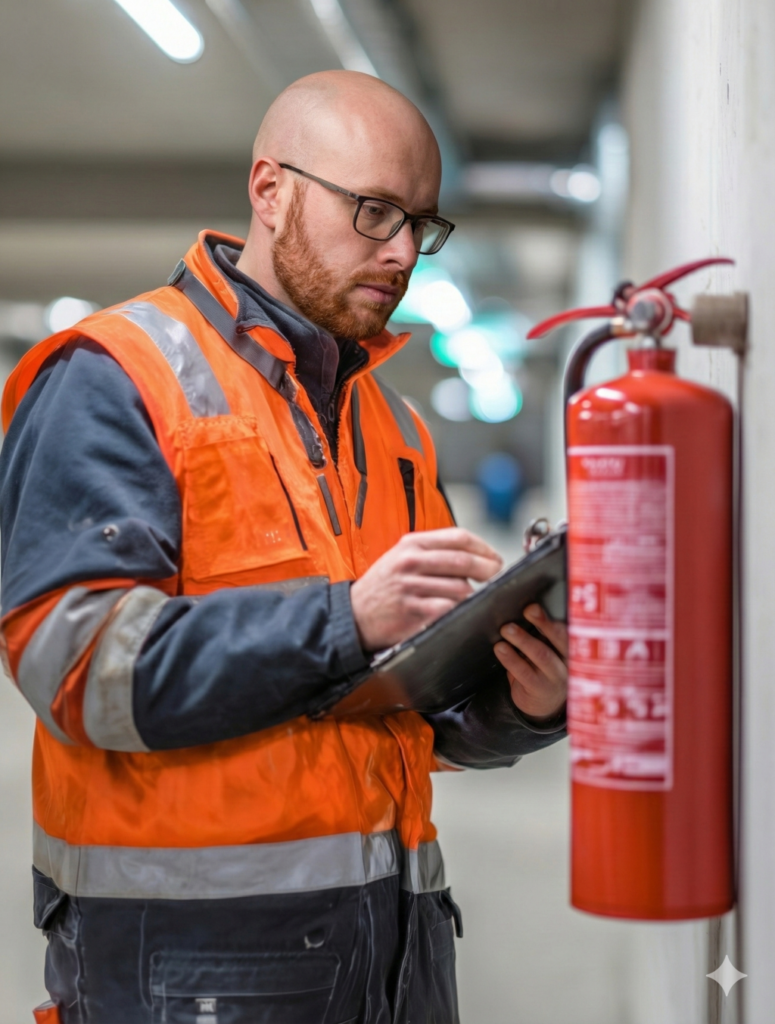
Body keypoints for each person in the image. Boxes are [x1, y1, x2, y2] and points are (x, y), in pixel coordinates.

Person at [0, 71, 568, 1024]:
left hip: (392, 961)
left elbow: (398, 716)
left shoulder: (389, 427)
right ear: (270, 190)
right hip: (188, 970)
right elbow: (77, 667)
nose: (399, 255)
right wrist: (344, 619)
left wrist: (520, 702)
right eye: (373, 212)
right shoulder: (118, 376)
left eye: (419, 227)